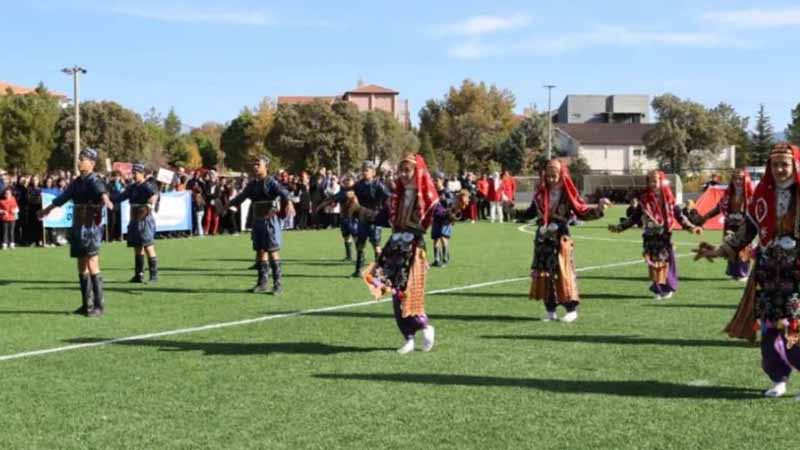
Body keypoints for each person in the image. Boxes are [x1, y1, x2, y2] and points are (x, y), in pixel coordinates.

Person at [694, 143, 800, 398]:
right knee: (768, 326)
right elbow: (748, 231)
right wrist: (720, 250)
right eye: (775, 164)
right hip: (766, 271)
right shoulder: (762, 194)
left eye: (785, 164)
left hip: (795, 271)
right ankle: (778, 379)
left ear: (795, 165)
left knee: (794, 324)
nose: (779, 169)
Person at [350, 154, 438, 354]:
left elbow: (439, 211)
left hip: (414, 249)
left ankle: (424, 325)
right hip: (394, 248)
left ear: (417, 171)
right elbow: (381, 218)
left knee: (409, 292)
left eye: (408, 170)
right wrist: (358, 210)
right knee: (393, 291)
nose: (404, 174)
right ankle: (408, 337)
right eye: (402, 170)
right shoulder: (396, 197)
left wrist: (453, 212)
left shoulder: (426, 197)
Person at [522, 160, 609, 322]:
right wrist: (510, 209)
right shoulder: (540, 194)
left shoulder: (567, 193)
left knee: (563, 273)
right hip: (542, 241)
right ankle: (550, 310)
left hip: (560, 239)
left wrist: (599, 209)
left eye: (554, 176)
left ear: (561, 175)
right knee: (544, 274)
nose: (550, 179)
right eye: (548, 176)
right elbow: (529, 213)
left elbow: (582, 212)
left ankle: (571, 309)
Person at [38, 149, 114, 316]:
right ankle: (86, 305)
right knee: (81, 263)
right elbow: (63, 198)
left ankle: (98, 306)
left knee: (92, 262)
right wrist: (46, 210)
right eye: (79, 159)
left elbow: (102, 193)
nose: (79, 161)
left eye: (83, 159)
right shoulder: (77, 182)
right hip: (78, 226)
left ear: (92, 163)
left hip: (91, 227)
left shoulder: (94, 180)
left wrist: (106, 201)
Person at [610, 170, 701, 300]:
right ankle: (658, 289)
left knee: (663, 261)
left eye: (655, 180)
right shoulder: (644, 200)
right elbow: (634, 218)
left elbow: (679, 216)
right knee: (653, 262)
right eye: (650, 181)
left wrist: (691, 227)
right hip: (649, 236)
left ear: (661, 181)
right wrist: (619, 227)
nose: (653, 183)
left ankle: (667, 288)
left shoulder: (669, 199)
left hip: (664, 235)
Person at [229, 156, 291, 295]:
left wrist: (288, 205)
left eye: (258, 164)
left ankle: (277, 285)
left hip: (270, 221)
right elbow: (241, 197)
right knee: (260, 251)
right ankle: (262, 283)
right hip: (257, 221)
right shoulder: (252, 184)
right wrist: (228, 204)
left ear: (266, 167)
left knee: (272, 250)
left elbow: (285, 193)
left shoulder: (272, 182)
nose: (255, 166)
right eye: (254, 164)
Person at [693, 169, 754, 281]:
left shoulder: (751, 194)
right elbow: (718, 208)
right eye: (735, 178)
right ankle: (733, 273)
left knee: (743, 249)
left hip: (744, 226)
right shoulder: (728, 193)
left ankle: (743, 273)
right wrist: (704, 218)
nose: (737, 181)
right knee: (729, 248)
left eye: (740, 178)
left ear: (746, 179)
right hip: (730, 224)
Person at [115, 163, 159, 283]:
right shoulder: (132, 187)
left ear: (142, 173)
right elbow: (120, 197)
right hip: (134, 220)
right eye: (133, 172)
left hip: (145, 220)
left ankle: (153, 275)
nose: (133, 175)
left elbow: (154, 195)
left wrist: (151, 203)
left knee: (148, 247)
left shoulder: (146, 186)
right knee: (137, 247)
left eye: (136, 173)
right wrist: (106, 197)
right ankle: (138, 275)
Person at [351, 161, 391, 277]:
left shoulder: (379, 185)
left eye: (366, 170)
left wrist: (384, 211)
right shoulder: (358, 185)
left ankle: (378, 271)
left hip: (375, 218)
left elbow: (389, 197)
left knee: (376, 245)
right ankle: (358, 270)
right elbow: (350, 194)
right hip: (362, 219)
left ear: (373, 172)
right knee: (360, 244)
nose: (364, 172)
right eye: (363, 169)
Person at [431, 172, 455, 267]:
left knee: (443, 238)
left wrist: (444, 199)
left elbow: (452, 202)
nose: (435, 182)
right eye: (434, 180)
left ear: (442, 180)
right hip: (436, 217)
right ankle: (436, 260)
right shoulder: (433, 191)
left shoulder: (447, 191)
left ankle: (445, 260)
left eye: (437, 180)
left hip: (445, 218)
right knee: (435, 238)